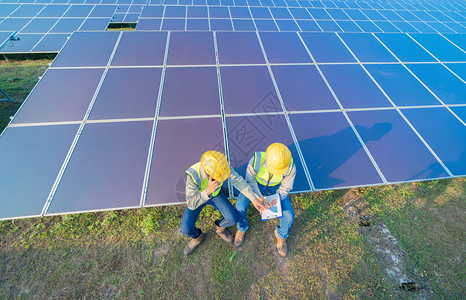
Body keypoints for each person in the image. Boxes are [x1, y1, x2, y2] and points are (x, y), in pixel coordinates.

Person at [181, 150, 270, 256]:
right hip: (199, 198)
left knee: (232, 219)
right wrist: (208, 191)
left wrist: (254, 199)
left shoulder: (222, 167)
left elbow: (238, 181)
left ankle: (219, 228)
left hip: (216, 195)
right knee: (186, 230)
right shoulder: (192, 175)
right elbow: (191, 203)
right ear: (209, 174)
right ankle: (197, 237)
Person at [235, 143, 296, 257]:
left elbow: (286, 188)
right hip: (255, 186)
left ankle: (281, 235)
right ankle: (242, 228)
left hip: (275, 189)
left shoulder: (290, 166)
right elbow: (250, 181)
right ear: (267, 160)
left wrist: (275, 200)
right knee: (239, 206)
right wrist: (258, 198)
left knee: (289, 216)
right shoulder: (256, 160)